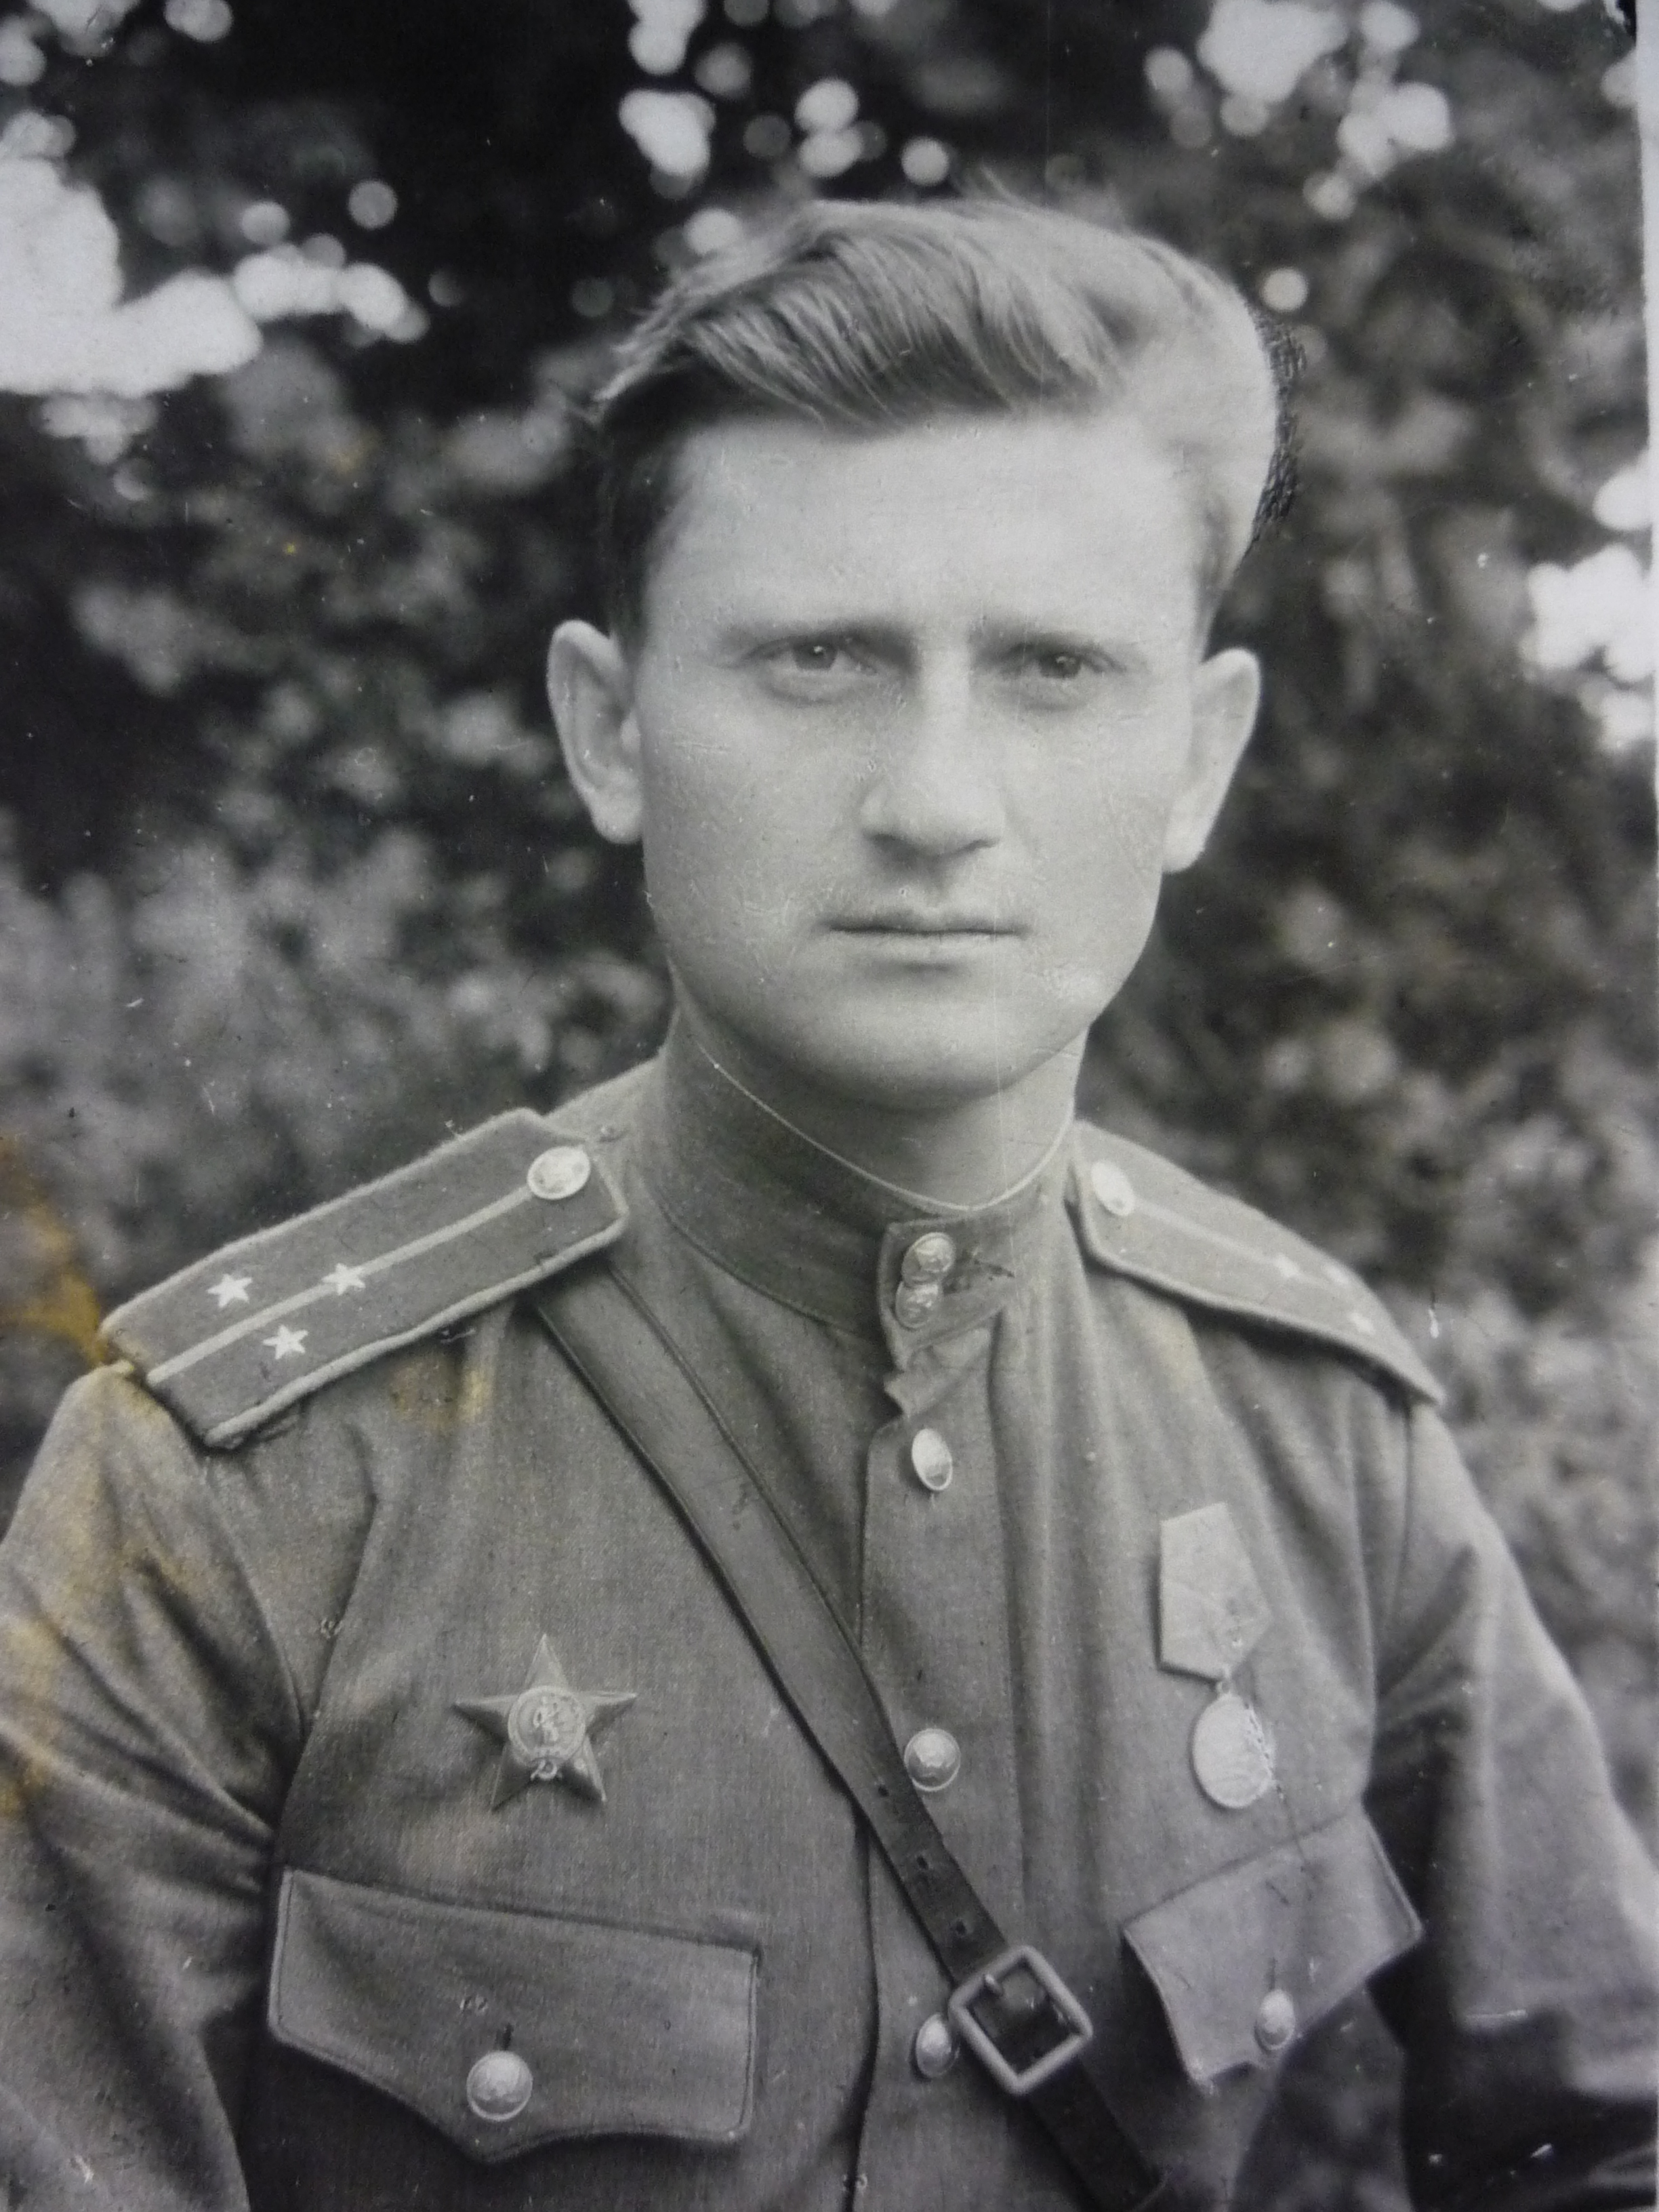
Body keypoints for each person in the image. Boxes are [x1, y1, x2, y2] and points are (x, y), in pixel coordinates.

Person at [0, 199, 1652, 2212]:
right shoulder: (230, 1492)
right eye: (817, 661)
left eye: (1053, 669)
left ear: (1199, 759)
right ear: (611, 731)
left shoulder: (1325, 1441)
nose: (937, 801)